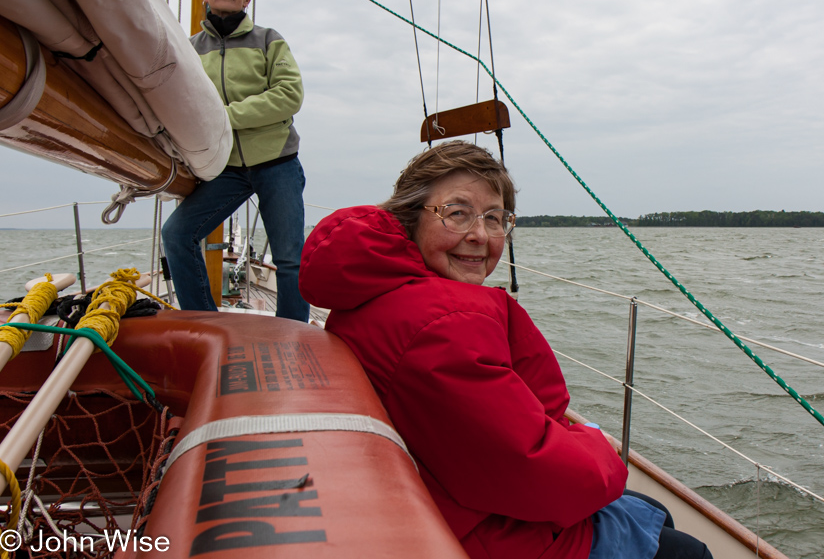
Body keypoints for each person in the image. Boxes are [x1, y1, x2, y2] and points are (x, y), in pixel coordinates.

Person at [298, 140, 712, 559]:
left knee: (654, 512)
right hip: (487, 537)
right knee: (687, 551)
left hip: (447, 504)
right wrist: (599, 449)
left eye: (494, 219)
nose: (479, 235)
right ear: (410, 218)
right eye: (457, 213)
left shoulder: (379, 292)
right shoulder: (441, 327)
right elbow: (534, 468)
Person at [162, 0, 310, 322]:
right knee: (177, 234)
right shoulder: (188, 50)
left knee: (289, 258)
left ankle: (293, 334)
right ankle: (203, 323)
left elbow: (289, 95)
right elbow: (175, 100)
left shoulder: (269, 40)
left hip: (277, 162)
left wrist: (222, 117)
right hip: (225, 168)